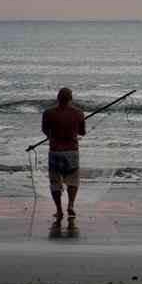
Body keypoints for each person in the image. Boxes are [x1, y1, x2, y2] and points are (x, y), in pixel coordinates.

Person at [42, 87, 85, 229]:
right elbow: (82, 132)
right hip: (72, 151)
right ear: (71, 98)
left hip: (55, 151)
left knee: (55, 181)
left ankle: (59, 210)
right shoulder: (78, 113)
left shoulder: (48, 113)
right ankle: (71, 205)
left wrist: (52, 135)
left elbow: (45, 130)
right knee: (72, 180)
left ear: (57, 98)